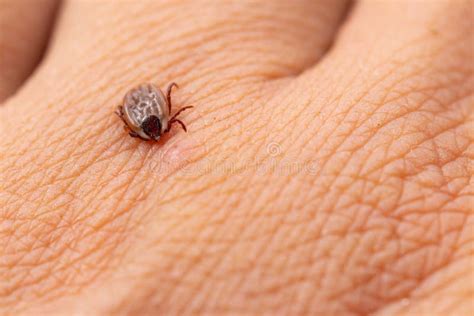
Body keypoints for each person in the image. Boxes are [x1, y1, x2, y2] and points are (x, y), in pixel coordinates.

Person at [0, 0, 472, 314]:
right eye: (153, 130)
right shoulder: (158, 117)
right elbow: (143, 108)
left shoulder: (150, 120)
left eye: (160, 127)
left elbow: (132, 110)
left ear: (163, 120)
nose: (160, 133)